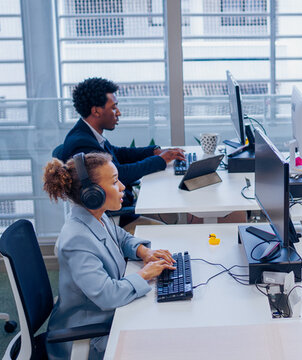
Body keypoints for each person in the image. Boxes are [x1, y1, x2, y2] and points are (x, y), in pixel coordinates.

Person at [42, 152, 177, 359]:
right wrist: (144, 274)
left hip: (109, 318)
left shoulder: (95, 215)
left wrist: (144, 251)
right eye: (115, 182)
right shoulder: (76, 241)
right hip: (89, 337)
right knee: (166, 341)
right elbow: (108, 295)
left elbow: (120, 237)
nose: (122, 186)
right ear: (92, 194)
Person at [58, 77, 185, 232]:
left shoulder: (87, 133)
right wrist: (160, 160)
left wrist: (154, 152)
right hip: (114, 218)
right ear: (96, 111)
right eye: (113, 108)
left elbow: (118, 153)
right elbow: (119, 175)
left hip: (122, 208)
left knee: (172, 215)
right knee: (171, 232)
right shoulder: (82, 144)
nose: (118, 112)